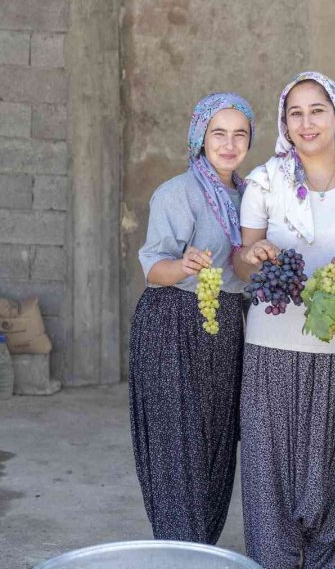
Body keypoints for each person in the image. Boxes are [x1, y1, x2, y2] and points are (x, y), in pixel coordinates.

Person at [233, 71, 335, 568]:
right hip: (273, 348)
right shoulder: (265, 180)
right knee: (270, 476)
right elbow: (240, 260)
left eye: (316, 109)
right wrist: (255, 253)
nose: (306, 122)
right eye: (294, 112)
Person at [130, 93, 254, 544]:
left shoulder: (249, 195)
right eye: (218, 133)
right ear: (200, 138)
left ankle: (201, 547)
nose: (229, 144)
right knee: (176, 446)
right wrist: (182, 265)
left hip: (225, 326)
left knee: (218, 442)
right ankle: (179, 549)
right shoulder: (176, 193)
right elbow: (153, 270)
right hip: (173, 323)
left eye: (239, 134)